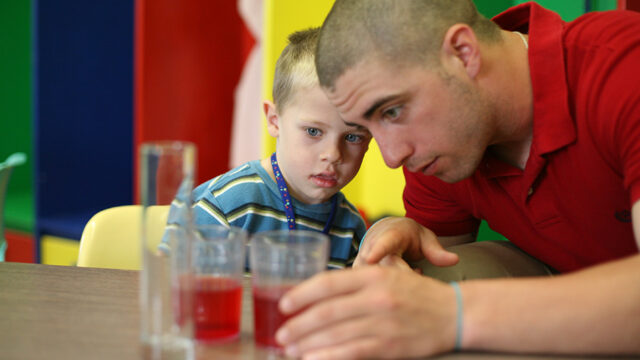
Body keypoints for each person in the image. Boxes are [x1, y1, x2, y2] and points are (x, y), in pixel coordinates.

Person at [273, 1, 640, 359]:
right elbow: (429, 287)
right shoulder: (439, 154)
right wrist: (404, 238)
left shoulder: (623, 66)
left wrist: (456, 315)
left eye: (392, 111)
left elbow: (444, 313)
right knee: (423, 281)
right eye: (367, 130)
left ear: (464, 54)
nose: (391, 157)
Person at [167, 27, 371, 269]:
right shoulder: (226, 205)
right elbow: (171, 285)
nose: (334, 155)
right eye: (313, 131)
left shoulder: (352, 231)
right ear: (274, 120)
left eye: (352, 137)